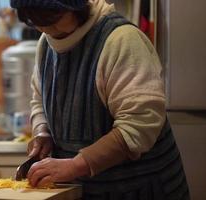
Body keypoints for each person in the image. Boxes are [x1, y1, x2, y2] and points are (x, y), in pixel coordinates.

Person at [10, 0, 190, 199]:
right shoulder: (45, 44)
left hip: (141, 190)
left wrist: (75, 166)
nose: (46, 28)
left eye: (54, 19)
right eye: (36, 21)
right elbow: (39, 97)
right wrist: (42, 132)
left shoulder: (121, 40)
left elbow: (140, 123)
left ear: (76, 6)